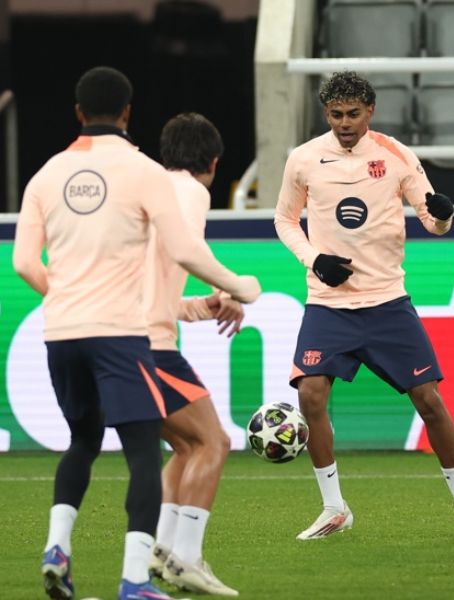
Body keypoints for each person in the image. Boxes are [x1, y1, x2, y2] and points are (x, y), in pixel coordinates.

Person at [12, 66, 260, 600]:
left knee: (90, 442)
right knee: (159, 450)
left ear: (78, 112)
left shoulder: (46, 175)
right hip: (127, 337)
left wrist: (65, 297)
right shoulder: (154, 178)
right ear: (128, 113)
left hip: (63, 331)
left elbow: (24, 263)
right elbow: (184, 251)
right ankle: (144, 576)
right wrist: (241, 286)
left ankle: (63, 548)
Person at [274, 71, 454, 540]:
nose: (344, 123)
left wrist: (443, 216)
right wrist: (314, 259)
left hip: (387, 302)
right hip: (329, 304)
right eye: (336, 115)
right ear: (326, 113)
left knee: (429, 401)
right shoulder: (303, 159)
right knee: (310, 394)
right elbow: (284, 219)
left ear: (370, 111)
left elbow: (431, 219)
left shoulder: (396, 154)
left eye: (353, 114)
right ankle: (334, 508)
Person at [143, 113, 241, 597]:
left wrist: (204, 305)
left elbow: (153, 291)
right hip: (150, 346)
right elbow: (189, 251)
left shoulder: (147, 193)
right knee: (214, 442)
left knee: (186, 447)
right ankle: (186, 557)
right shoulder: (190, 191)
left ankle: (162, 551)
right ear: (214, 163)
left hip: (120, 338)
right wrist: (235, 287)